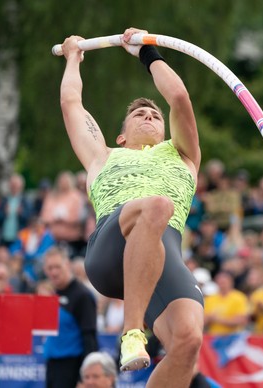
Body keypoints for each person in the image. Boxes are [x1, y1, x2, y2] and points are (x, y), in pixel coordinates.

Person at [58, 27, 204, 386]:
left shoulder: (183, 155)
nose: (150, 117)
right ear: (121, 135)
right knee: (156, 205)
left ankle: (140, 335)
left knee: (188, 342)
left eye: (154, 114)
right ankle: (132, 332)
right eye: (140, 114)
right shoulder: (103, 155)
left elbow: (180, 98)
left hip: (162, 257)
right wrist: (73, 58)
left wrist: (146, 52)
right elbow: (71, 104)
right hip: (110, 251)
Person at [42, 247, 99, 388]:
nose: (54, 272)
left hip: (72, 366)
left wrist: (84, 377)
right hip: (52, 364)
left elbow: (90, 337)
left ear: (67, 265)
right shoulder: (52, 294)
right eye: (50, 268)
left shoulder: (82, 296)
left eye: (57, 267)